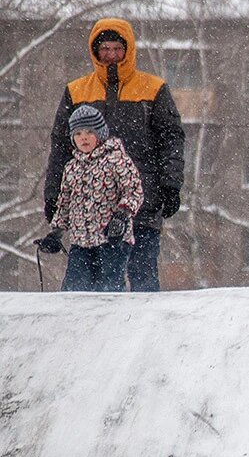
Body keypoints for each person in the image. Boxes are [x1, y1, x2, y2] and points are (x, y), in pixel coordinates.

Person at [44, 17, 184, 291]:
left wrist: (171, 184)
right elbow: (61, 148)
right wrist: (53, 194)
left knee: (143, 281)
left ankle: (145, 332)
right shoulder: (77, 91)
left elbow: (171, 140)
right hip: (91, 212)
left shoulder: (153, 89)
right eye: (104, 49)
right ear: (95, 51)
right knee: (87, 289)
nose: (111, 56)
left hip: (142, 204)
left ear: (128, 50)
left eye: (117, 49)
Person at [35, 105, 144, 291]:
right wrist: (56, 233)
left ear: (100, 134)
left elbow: (134, 190)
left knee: (108, 288)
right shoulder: (71, 167)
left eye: (88, 132)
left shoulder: (116, 159)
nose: (83, 138)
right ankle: (75, 320)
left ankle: (111, 317)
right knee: (74, 289)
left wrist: (122, 214)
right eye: (77, 134)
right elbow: (65, 204)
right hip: (81, 242)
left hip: (112, 240)